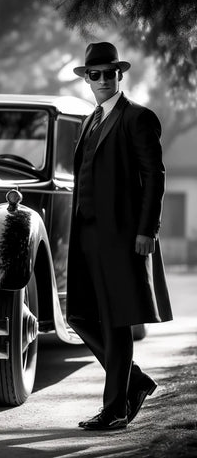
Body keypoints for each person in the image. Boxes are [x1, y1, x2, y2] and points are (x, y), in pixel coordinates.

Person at [67, 42, 173, 431]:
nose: (102, 80)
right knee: (78, 316)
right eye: (94, 74)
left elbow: (154, 178)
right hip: (87, 235)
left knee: (116, 321)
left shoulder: (138, 118)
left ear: (119, 75)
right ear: (87, 78)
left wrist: (148, 230)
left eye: (109, 73)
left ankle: (115, 410)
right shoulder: (90, 120)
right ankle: (136, 381)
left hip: (122, 237)